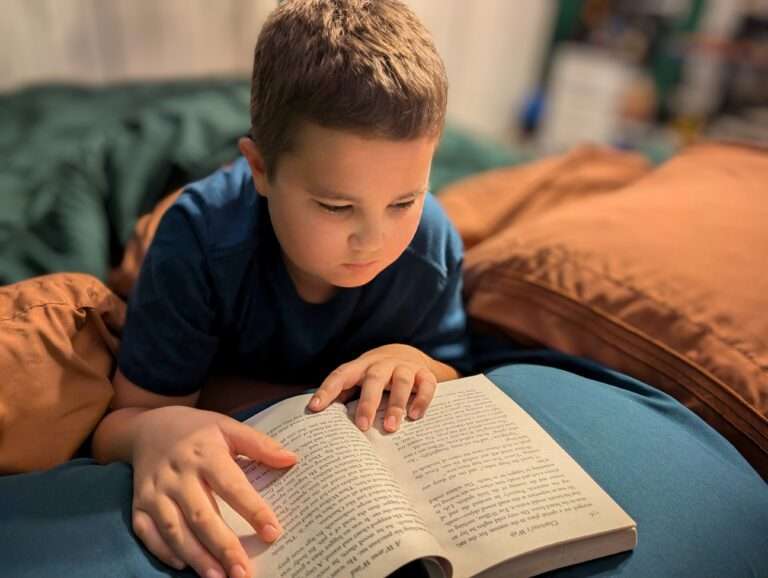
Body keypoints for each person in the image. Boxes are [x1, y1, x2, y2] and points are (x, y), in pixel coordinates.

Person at [92, 1, 470, 577]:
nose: (373, 238)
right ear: (259, 169)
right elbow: (121, 422)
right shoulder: (197, 242)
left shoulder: (430, 248)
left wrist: (412, 360)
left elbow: (448, 372)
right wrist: (153, 430)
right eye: (336, 205)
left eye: (404, 200)